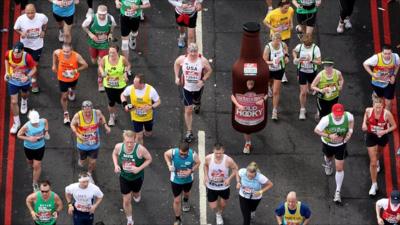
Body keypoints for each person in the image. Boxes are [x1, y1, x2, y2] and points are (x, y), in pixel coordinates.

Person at [314, 103, 354, 204]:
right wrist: (329, 135)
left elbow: (351, 121)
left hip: (341, 145)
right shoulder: (326, 119)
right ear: (332, 112)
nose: (338, 116)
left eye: (340, 114)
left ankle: (337, 192)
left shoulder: (348, 115)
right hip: (328, 143)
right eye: (336, 114)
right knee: (328, 158)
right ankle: (328, 163)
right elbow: (316, 130)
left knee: (339, 168)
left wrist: (350, 132)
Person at [112, 130, 153, 225]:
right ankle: (129, 220)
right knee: (126, 201)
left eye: (131, 142)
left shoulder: (140, 149)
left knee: (136, 195)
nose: (129, 145)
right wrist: (116, 165)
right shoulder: (119, 147)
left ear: (135, 140)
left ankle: (137, 194)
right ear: (123, 141)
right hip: (124, 177)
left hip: (137, 178)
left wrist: (139, 169)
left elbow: (149, 159)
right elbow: (114, 154)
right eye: (127, 142)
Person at [174, 43, 213, 143]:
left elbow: (209, 70)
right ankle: (189, 131)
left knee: (197, 101)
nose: (193, 53)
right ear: (187, 51)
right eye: (191, 51)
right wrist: (176, 77)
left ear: (197, 51)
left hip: (198, 88)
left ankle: (198, 104)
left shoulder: (202, 60)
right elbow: (176, 64)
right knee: (188, 110)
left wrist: (203, 80)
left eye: (195, 51)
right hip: (186, 88)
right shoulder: (182, 59)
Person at [362, 94, 397, 196]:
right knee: (373, 162)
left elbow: (394, 126)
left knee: (379, 153)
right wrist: (364, 123)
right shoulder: (368, 110)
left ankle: (377, 160)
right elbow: (365, 115)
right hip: (371, 136)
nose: (377, 109)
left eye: (380, 107)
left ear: (383, 106)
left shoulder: (387, 114)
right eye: (376, 107)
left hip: (382, 136)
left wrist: (385, 131)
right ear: (373, 105)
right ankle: (374, 184)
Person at [70, 100, 111, 183]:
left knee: (93, 161)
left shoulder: (96, 113)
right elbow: (72, 124)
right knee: (82, 162)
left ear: (92, 109)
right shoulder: (78, 116)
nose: (88, 113)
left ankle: (89, 174)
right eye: (86, 111)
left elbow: (102, 117)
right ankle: (81, 159)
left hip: (94, 143)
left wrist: (105, 125)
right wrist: (77, 134)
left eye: (89, 111)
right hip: (82, 144)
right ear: (82, 109)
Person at [14, 3, 48, 93]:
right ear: (25, 12)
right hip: (25, 45)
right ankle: (27, 77)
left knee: (34, 65)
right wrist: (21, 33)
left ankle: (33, 82)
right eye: (28, 13)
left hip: (37, 45)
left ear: (35, 11)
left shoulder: (42, 17)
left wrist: (44, 31)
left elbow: (45, 23)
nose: (30, 15)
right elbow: (16, 28)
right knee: (26, 63)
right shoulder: (20, 19)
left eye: (32, 12)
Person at [164, 142, 201, 225]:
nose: (183, 156)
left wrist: (191, 171)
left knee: (186, 193)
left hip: (188, 180)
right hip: (175, 180)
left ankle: (186, 200)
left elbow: (198, 162)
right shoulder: (173, 152)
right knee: (177, 200)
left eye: (185, 154)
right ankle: (177, 218)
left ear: (188, 151)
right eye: (181, 154)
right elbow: (165, 154)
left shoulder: (193, 154)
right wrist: (169, 164)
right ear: (178, 150)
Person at [82, 4, 117, 91]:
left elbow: (113, 26)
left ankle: (100, 81)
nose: (101, 16)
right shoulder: (92, 18)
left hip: (104, 44)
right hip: (93, 43)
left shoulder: (110, 18)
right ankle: (97, 58)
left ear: (106, 13)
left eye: (103, 14)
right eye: (100, 14)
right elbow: (83, 26)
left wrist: (111, 33)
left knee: (100, 64)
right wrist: (90, 34)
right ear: (97, 13)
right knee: (93, 61)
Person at [4, 42, 37, 134]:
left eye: (18, 53)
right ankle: (17, 123)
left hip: (24, 82)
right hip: (13, 81)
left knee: (24, 94)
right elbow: (6, 60)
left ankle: (24, 101)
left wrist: (27, 77)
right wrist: (7, 72)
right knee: (13, 101)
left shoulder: (27, 57)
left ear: (22, 51)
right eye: (14, 52)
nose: (16, 54)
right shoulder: (8, 53)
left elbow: (34, 69)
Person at [52, 43, 88, 124]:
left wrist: (75, 71)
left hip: (73, 78)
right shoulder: (59, 52)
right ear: (62, 50)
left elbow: (85, 65)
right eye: (64, 51)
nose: (66, 53)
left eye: (68, 52)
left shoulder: (76, 56)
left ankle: (71, 91)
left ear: (71, 50)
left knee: (73, 87)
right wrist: (54, 65)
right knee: (64, 97)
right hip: (62, 79)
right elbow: (54, 53)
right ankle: (66, 113)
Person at [121, 74, 161, 145]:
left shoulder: (151, 90)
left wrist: (151, 107)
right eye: (133, 82)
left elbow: (158, 101)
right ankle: (139, 153)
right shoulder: (130, 88)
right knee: (139, 137)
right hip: (136, 117)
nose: (133, 85)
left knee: (148, 134)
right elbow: (123, 95)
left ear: (142, 84)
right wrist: (125, 105)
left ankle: (144, 131)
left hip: (148, 117)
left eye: (135, 83)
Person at [204, 143, 238, 225]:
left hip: (224, 187)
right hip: (211, 187)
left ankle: (219, 214)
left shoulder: (228, 160)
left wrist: (229, 179)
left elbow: (235, 169)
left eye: (220, 153)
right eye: (216, 153)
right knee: (213, 206)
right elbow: (205, 165)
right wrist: (205, 176)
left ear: (223, 151)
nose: (218, 155)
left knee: (223, 205)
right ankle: (217, 214)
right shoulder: (208, 158)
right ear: (213, 151)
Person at [231, 80, 268, 154]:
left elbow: (266, 94)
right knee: (246, 128)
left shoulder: (260, 84)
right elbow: (232, 96)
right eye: (249, 84)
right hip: (245, 112)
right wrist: (238, 105)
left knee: (255, 125)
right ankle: (248, 143)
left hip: (255, 111)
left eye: (252, 84)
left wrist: (263, 100)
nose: (250, 86)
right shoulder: (240, 84)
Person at [17, 110, 50, 192]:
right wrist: (29, 138)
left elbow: (46, 122)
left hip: (40, 147)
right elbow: (19, 135)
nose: (35, 123)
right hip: (28, 147)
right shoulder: (26, 126)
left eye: (36, 122)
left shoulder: (43, 121)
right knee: (29, 161)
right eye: (33, 122)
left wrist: (46, 132)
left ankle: (35, 183)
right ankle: (34, 168)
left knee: (37, 165)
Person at [98, 45, 131, 125]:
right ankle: (112, 116)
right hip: (108, 85)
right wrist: (102, 73)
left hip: (120, 85)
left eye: (113, 52)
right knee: (111, 102)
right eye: (110, 52)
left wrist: (125, 73)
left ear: (117, 52)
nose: (111, 54)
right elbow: (101, 66)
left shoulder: (122, 59)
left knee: (120, 101)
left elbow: (128, 65)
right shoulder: (105, 58)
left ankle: (124, 107)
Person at [263, 0, 294, 83]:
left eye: (288, 7)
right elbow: (265, 22)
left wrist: (291, 25)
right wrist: (274, 29)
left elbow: (290, 18)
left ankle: (282, 72)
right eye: (285, 8)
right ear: (280, 6)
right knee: (273, 55)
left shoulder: (290, 10)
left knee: (283, 54)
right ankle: (270, 72)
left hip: (286, 36)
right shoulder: (273, 13)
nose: (287, 9)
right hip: (275, 37)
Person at [293, 33, 321, 120]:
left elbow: (319, 62)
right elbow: (294, 51)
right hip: (302, 71)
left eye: (308, 45)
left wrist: (311, 60)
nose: (306, 46)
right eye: (305, 44)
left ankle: (310, 87)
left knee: (312, 88)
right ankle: (302, 109)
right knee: (303, 92)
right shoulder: (300, 46)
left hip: (312, 72)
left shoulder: (316, 48)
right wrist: (296, 58)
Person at [363, 44, 400, 110]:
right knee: (378, 101)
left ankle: (385, 117)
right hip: (377, 82)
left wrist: (394, 75)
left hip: (389, 82)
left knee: (388, 103)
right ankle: (376, 98)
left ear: (392, 52)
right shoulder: (376, 58)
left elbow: (397, 65)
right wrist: (372, 74)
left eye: (389, 53)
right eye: (385, 53)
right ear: (382, 53)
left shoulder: (396, 57)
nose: (387, 55)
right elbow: (365, 64)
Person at [262, 32, 289, 120]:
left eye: (278, 40)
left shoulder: (283, 44)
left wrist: (286, 57)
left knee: (276, 91)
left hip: (279, 70)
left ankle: (274, 111)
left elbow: (286, 52)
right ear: (272, 39)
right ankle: (269, 86)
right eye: (275, 40)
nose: (277, 42)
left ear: (280, 40)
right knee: (269, 82)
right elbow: (264, 61)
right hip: (269, 70)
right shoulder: (268, 47)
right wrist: (272, 62)